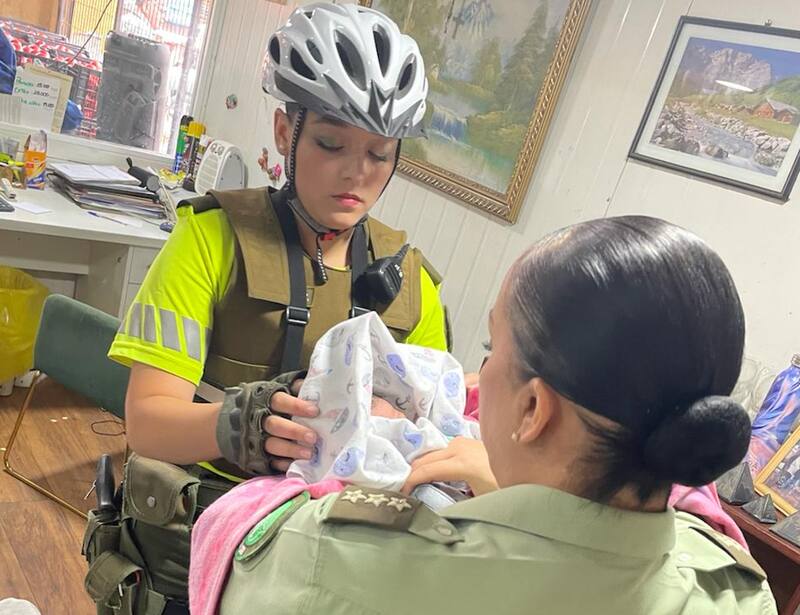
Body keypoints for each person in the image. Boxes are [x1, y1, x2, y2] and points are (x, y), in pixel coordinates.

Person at [212, 215, 777, 615]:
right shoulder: (738, 589)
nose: (474, 379)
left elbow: (248, 540)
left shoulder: (338, 557)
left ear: (533, 408)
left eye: (490, 350)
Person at [84, 4, 448, 614]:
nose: (356, 172)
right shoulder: (209, 239)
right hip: (196, 543)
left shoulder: (412, 282)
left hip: (332, 568)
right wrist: (236, 425)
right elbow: (145, 422)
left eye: (381, 154)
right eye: (331, 143)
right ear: (286, 132)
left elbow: (436, 433)